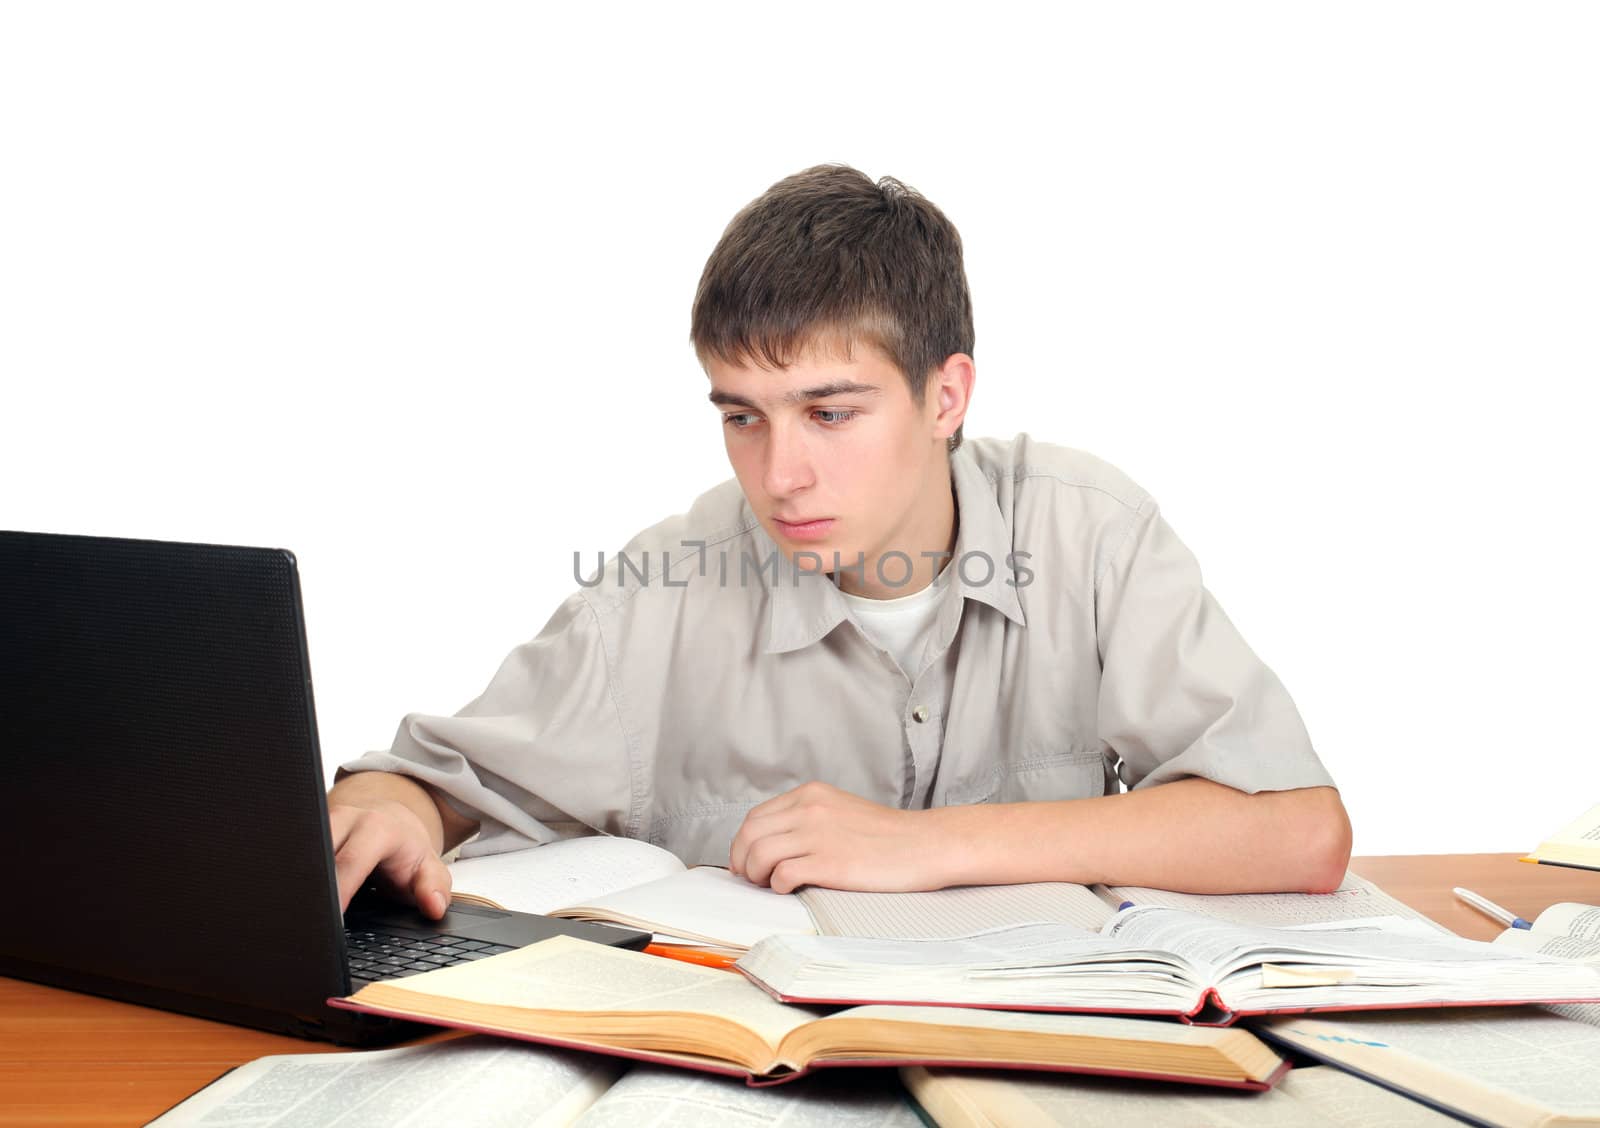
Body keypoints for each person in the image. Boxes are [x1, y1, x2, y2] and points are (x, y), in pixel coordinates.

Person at [329, 164, 1352, 920]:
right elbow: (432, 782)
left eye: (829, 413)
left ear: (945, 395)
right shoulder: (660, 587)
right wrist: (396, 806)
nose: (778, 476)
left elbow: (1299, 831)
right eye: (742, 416)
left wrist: (922, 846)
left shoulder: (1092, 532)